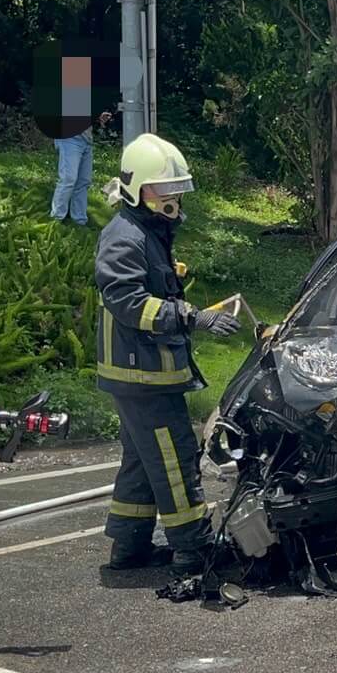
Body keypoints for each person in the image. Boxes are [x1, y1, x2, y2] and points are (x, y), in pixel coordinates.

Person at [96, 134, 241, 572]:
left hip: (139, 372)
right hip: (144, 374)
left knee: (142, 461)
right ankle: (192, 549)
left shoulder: (145, 231)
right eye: (164, 189)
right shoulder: (126, 236)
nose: (173, 197)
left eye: (176, 189)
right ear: (137, 189)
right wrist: (192, 316)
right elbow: (128, 301)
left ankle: (129, 546)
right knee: (176, 457)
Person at [51, 111, 112, 227]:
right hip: (69, 138)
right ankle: (56, 220)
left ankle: (79, 221)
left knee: (83, 181)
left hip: (86, 139)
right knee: (68, 179)